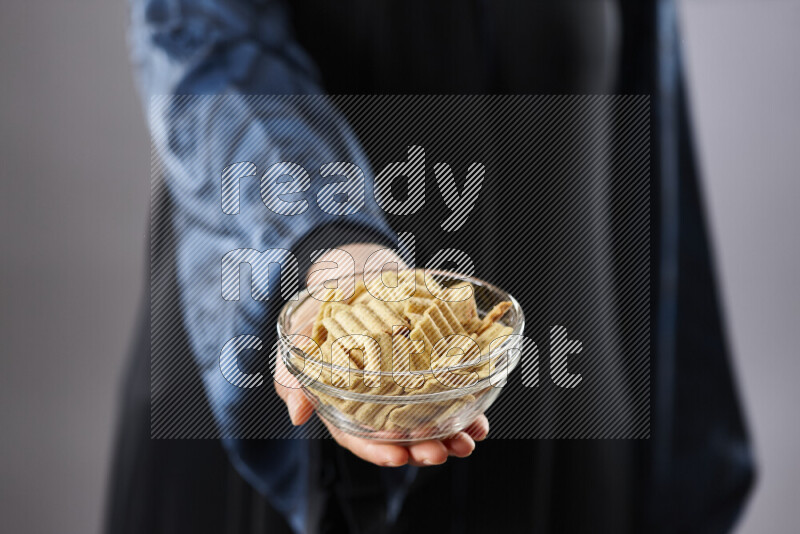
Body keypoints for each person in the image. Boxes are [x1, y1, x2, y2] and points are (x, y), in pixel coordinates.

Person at [106, 1, 754, 533]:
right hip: (282, 396)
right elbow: (203, 40)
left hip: (559, 428)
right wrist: (332, 241)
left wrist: (678, 447)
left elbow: (644, 131)